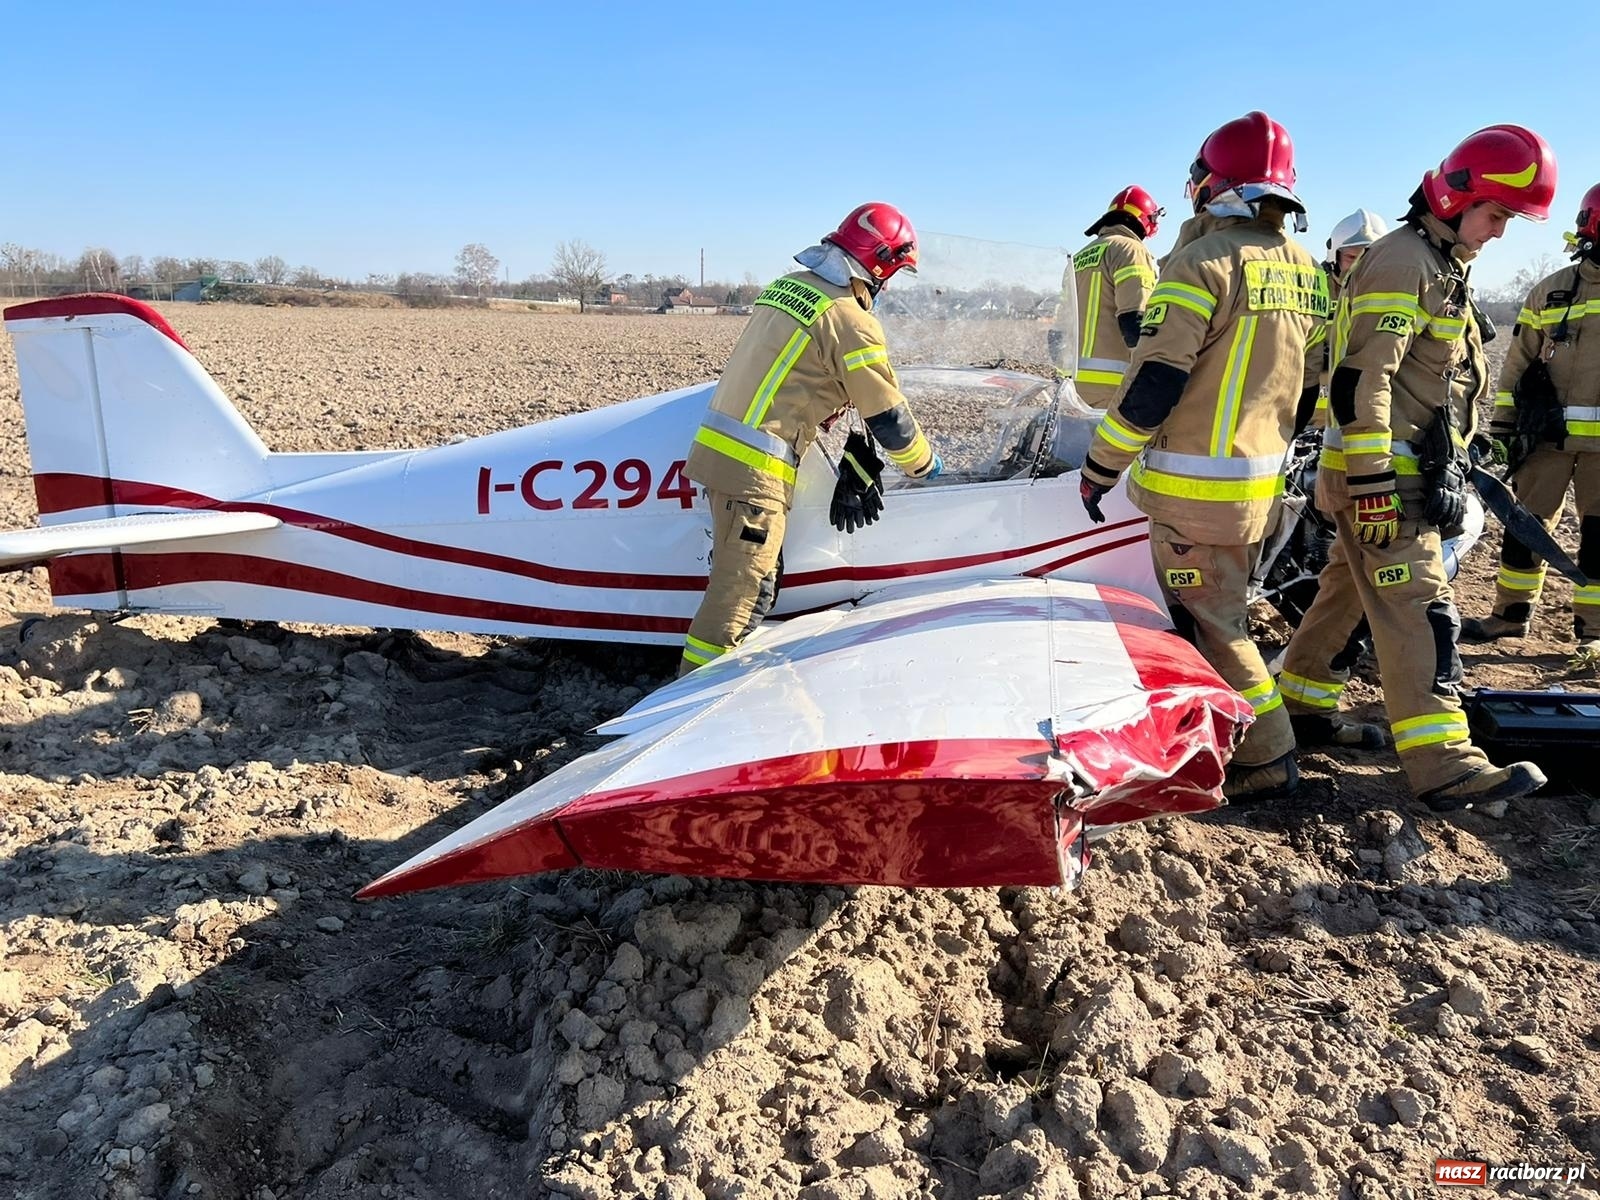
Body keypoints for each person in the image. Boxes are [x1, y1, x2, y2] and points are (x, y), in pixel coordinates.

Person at [1278, 126, 1556, 810]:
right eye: (1496, 215)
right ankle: (1445, 764)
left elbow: (1429, 385)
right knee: (1420, 608)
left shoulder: (1438, 261)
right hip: (1389, 482)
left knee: (1346, 593)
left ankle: (1303, 709)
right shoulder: (1405, 262)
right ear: (1457, 195)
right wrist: (1373, 481)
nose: (1498, 233)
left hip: (1396, 473)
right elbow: (1362, 380)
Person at [1076, 111, 1329, 801]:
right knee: (1225, 614)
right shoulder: (1308, 270)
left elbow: (1156, 380)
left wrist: (1101, 464)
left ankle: (1266, 759)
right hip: (1256, 489)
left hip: (1194, 496)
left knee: (1214, 629)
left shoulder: (1201, 263)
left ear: (1209, 187)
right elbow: (1309, 386)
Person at [679, 202, 940, 676]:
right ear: (880, 265)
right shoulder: (850, 318)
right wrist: (925, 468)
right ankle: (686, 701)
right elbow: (888, 417)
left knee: (753, 584)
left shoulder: (789, 288)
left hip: (722, 453)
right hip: (755, 471)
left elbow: (799, 377)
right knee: (741, 596)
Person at [1461, 182, 1600, 650]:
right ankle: (1509, 616)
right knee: (1526, 528)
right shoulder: (1553, 290)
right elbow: (1517, 364)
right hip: (1546, 441)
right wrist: (1503, 427)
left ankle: (1594, 630)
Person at [1050, 187, 1162, 408]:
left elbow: (1059, 328)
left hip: (1070, 387)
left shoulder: (1078, 258)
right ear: (1146, 221)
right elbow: (1136, 321)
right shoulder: (1131, 250)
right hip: (1112, 388)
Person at [1311, 210, 1390, 426]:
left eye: (1367, 258)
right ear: (1334, 256)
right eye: (1351, 257)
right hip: (1310, 420)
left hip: (1360, 417)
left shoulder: (1390, 295)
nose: (1358, 266)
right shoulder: (1313, 287)